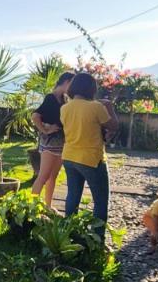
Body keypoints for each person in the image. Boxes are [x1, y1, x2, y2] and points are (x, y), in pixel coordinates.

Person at [60, 71, 118, 239]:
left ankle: (68, 235)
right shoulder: (96, 107)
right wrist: (110, 107)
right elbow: (113, 125)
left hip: (69, 156)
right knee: (100, 202)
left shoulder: (65, 108)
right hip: (91, 159)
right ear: (91, 88)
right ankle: (97, 240)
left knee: (72, 196)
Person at [31, 72, 74, 209]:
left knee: (52, 177)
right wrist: (45, 130)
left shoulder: (64, 99)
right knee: (43, 176)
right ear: (66, 82)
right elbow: (35, 116)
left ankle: (48, 206)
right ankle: (31, 207)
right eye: (72, 84)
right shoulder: (51, 98)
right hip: (49, 144)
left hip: (61, 144)